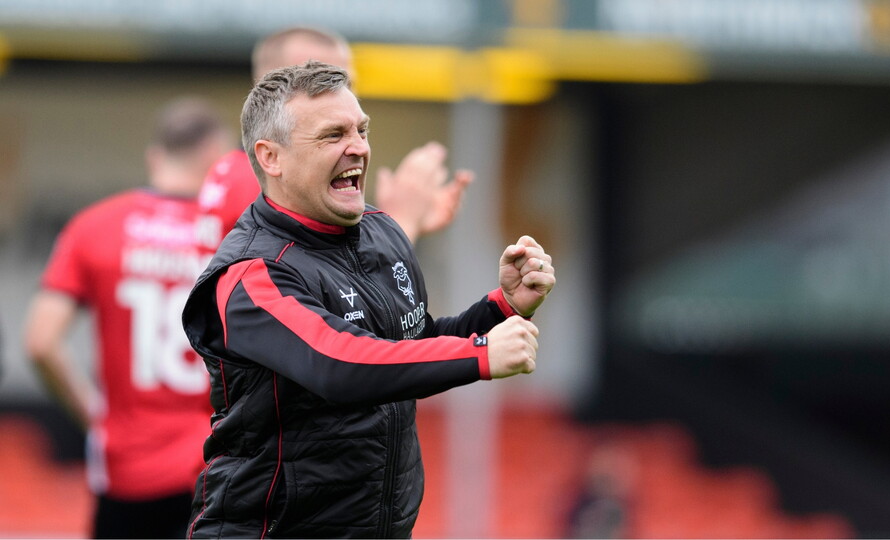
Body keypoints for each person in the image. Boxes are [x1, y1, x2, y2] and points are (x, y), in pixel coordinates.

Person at [180, 61, 556, 538]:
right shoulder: (252, 274)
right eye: (333, 134)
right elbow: (341, 364)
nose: (358, 147)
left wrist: (501, 308)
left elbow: (409, 348)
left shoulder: (381, 231)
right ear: (271, 157)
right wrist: (481, 354)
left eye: (361, 129)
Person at [23, 97, 233, 539]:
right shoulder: (236, 234)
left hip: (126, 468)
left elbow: (40, 342)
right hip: (214, 462)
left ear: (155, 156)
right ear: (215, 158)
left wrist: (96, 419)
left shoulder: (96, 225)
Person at [199, 26, 473, 243]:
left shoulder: (234, 170)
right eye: (321, 78)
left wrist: (396, 224)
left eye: (347, 82)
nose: (344, 94)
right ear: (277, 86)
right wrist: (402, 223)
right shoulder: (265, 184)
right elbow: (333, 298)